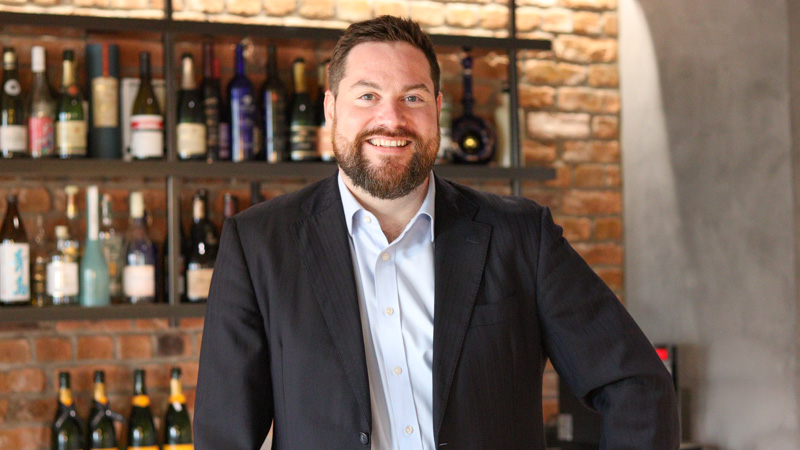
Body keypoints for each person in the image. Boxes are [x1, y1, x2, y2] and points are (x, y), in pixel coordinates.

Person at [194, 15, 679, 449]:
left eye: (413, 97)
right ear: (331, 108)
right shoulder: (258, 245)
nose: (392, 118)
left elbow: (639, 387)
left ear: (437, 109)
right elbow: (222, 438)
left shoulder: (521, 237)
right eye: (367, 96)